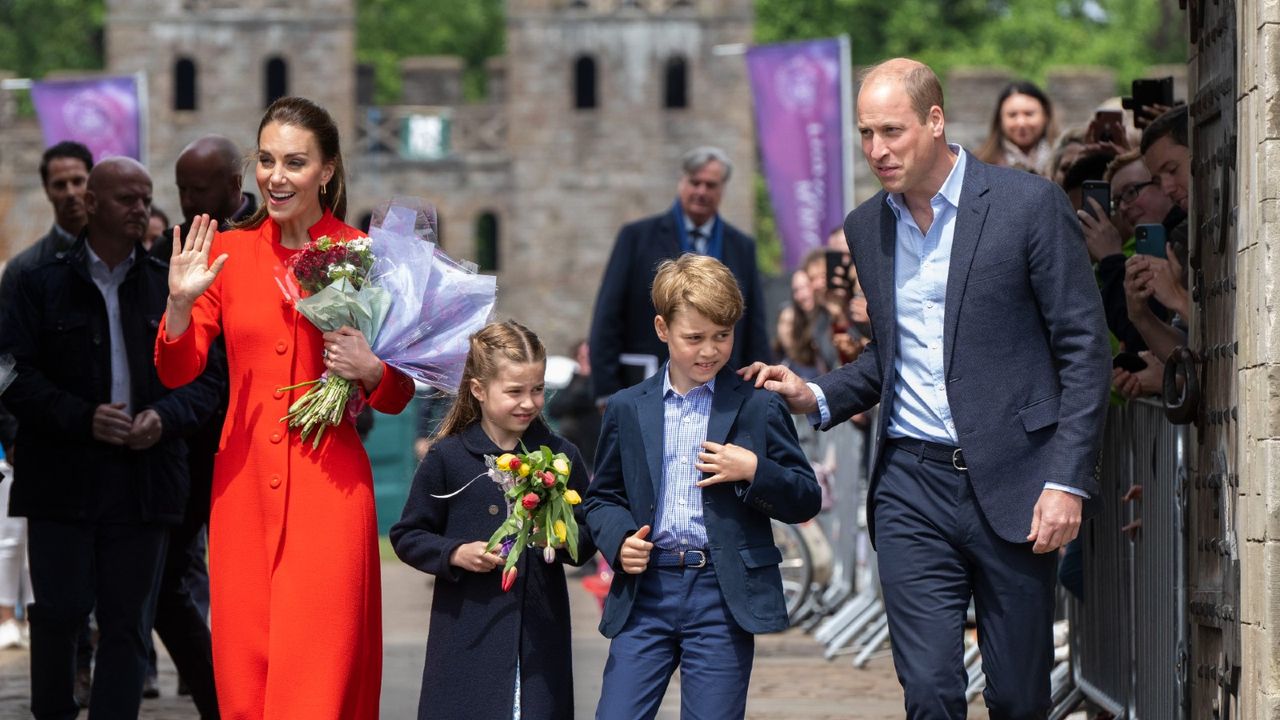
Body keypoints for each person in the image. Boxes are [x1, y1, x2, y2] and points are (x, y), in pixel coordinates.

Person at [742, 58, 1111, 718]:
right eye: (864, 133)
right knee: (932, 693)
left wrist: (1067, 481)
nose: (877, 150)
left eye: (892, 130)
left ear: (935, 121)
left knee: (1018, 699)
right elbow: (892, 360)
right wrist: (816, 395)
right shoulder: (866, 227)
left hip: (1017, 482)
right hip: (910, 485)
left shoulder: (1028, 206)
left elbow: (1084, 352)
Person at [155, 96, 415, 719]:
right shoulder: (228, 251)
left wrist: (371, 370)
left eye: (294, 162)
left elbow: (402, 390)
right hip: (241, 492)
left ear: (326, 170)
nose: (276, 176)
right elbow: (177, 368)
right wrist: (180, 304)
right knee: (245, 678)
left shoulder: (367, 254)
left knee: (315, 683)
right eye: (266, 160)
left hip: (329, 493)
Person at [0, 157, 224, 719]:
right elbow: (10, 374)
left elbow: (209, 381)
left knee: (128, 623)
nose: (141, 210)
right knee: (59, 615)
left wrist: (164, 418)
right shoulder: (36, 280)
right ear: (93, 204)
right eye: (127, 199)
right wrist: (80, 416)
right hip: (62, 479)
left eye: (146, 198)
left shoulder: (169, 288)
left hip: (145, 480)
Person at [586, 254, 821, 720]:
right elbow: (602, 497)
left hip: (722, 592)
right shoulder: (628, 407)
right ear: (661, 328)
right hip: (645, 594)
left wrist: (756, 469)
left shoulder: (758, 406)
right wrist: (618, 540)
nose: (709, 351)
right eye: (693, 338)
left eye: (722, 336)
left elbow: (804, 496)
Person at [390, 320, 596, 719]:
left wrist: (555, 539)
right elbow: (408, 535)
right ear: (479, 390)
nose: (529, 402)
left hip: (540, 635)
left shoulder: (561, 453)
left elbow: (586, 533)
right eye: (515, 391)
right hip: (466, 632)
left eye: (537, 389)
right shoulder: (447, 457)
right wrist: (455, 553)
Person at [589, 146, 770, 403]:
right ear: (681, 182)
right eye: (694, 182)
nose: (701, 192)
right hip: (645, 384)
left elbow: (754, 325)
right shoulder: (637, 238)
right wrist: (606, 391)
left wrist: (759, 388)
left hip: (723, 390)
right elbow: (608, 314)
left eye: (710, 185)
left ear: (722, 189)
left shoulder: (741, 246)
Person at [975, 81, 1058, 176]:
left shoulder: (1064, 161)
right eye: (1012, 115)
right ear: (1000, 119)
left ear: (1046, 115)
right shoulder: (980, 164)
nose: (1021, 123)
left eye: (1029, 114)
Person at [545, 339, 602, 469]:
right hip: (577, 447)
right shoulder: (575, 381)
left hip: (595, 448)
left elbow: (587, 398)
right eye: (582, 357)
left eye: (590, 356)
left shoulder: (601, 383)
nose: (586, 361)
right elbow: (555, 409)